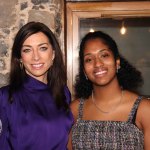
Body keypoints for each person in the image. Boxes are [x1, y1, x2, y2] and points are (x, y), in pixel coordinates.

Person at [68, 31, 150, 149]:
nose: (97, 64)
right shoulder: (75, 109)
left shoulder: (144, 109)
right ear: (84, 70)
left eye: (104, 55)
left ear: (117, 62)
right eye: (89, 59)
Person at [0, 21, 73, 150]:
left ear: (53, 54)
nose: (36, 57)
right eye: (27, 50)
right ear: (20, 58)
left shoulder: (63, 92)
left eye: (42, 48)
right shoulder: (5, 96)